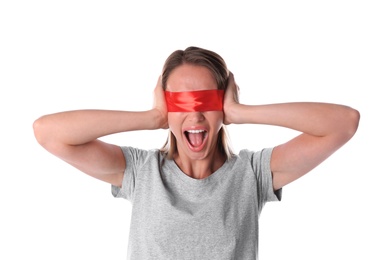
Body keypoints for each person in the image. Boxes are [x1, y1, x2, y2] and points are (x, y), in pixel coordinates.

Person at [33, 46, 360, 259]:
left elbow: (343, 123)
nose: (195, 115)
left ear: (222, 107)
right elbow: (48, 133)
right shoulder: (140, 172)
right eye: (181, 103)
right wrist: (153, 118)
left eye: (207, 101)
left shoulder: (253, 174)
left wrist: (241, 111)